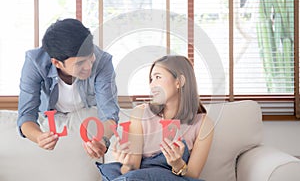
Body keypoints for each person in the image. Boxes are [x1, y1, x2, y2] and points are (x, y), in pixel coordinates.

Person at [97, 55, 214, 181]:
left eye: (158, 77)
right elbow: (131, 170)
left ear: (179, 81)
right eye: (151, 79)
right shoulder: (140, 114)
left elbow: (193, 175)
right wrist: (127, 163)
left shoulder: (203, 124)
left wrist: (178, 165)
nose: (152, 85)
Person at [17, 18, 119, 159]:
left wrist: (103, 140)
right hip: (49, 116)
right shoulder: (35, 62)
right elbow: (26, 115)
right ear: (57, 63)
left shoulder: (103, 61)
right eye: (80, 63)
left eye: (91, 57)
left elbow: (109, 113)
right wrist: (39, 137)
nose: (89, 66)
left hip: (86, 113)